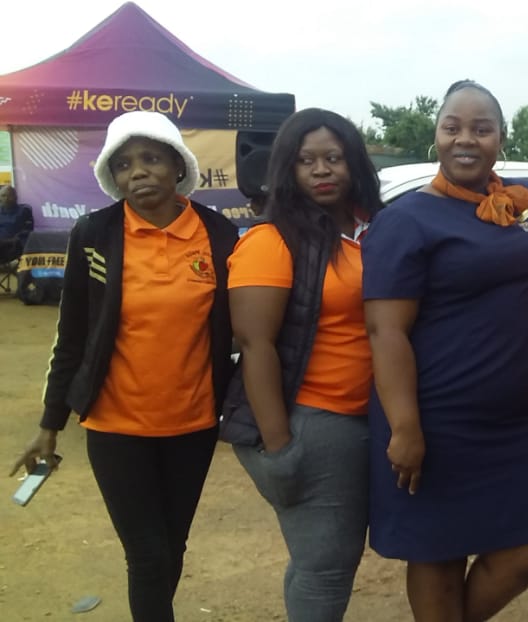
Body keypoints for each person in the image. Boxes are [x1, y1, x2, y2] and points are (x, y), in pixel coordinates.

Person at [9, 110, 238, 622]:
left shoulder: (218, 234)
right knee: (148, 554)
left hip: (194, 424)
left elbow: (239, 328)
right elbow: (72, 335)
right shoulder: (95, 233)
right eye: (124, 164)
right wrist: (50, 424)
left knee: (171, 546)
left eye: (151, 159)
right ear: (112, 176)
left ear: (178, 166)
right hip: (116, 427)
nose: (138, 172)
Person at [361, 80, 528, 622]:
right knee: (438, 552)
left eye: (482, 129)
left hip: (518, 422)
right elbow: (386, 331)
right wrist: (405, 427)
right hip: (436, 419)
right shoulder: (406, 220)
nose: (466, 139)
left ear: (501, 137)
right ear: (436, 135)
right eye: (452, 127)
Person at [224, 108, 383, 621]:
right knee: (326, 568)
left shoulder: (369, 231)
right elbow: (255, 345)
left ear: (353, 163)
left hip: (359, 420)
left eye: (333, 158)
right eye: (306, 160)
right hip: (313, 422)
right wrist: (281, 447)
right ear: (286, 169)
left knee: (317, 561)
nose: (321, 170)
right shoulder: (272, 241)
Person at [0, 184, 34, 263]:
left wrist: (14, 240)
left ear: (14, 197)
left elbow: (28, 230)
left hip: (14, 245)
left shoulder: (24, 211)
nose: (4, 199)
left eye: (7, 195)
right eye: (2, 196)